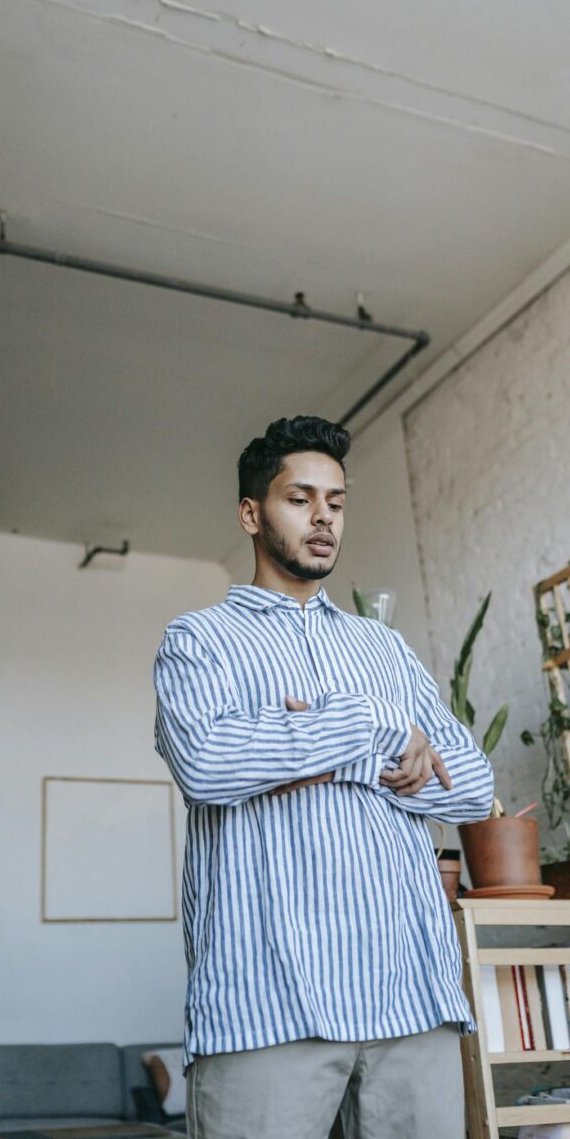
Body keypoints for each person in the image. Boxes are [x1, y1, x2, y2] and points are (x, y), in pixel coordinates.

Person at [153, 415, 494, 1139]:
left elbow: (469, 784)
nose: (323, 519)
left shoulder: (387, 647)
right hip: (267, 1006)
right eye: (299, 499)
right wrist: (376, 730)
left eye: (335, 503)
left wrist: (299, 756)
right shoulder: (198, 642)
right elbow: (209, 765)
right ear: (252, 512)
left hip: (412, 999)